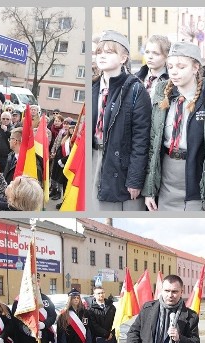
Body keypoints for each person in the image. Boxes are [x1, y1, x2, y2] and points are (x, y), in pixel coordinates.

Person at [143, 42, 205, 211]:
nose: (174, 71)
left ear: (195, 68)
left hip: (198, 184)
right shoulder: (161, 97)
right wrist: (150, 190)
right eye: (170, 66)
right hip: (167, 181)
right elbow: (153, 145)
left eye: (181, 66)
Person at [91, 30, 151, 211]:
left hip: (117, 164)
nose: (102, 56)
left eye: (109, 52)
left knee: (111, 207)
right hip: (93, 157)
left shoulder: (135, 90)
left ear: (124, 57)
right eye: (99, 52)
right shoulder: (92, 87)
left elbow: (141, 140)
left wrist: (135, 179)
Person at [50, 118, 75, 200]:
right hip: (57, 156)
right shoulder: (62, 133)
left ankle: (59, 193)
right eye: (65, 123)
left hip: (64, 160)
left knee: (61, 178)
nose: (66, 125)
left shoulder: (73, 139)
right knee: (54, 174)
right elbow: (56, 143)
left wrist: (62, 160)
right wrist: (53, 152)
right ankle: (53, 190)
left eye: (68, 124)